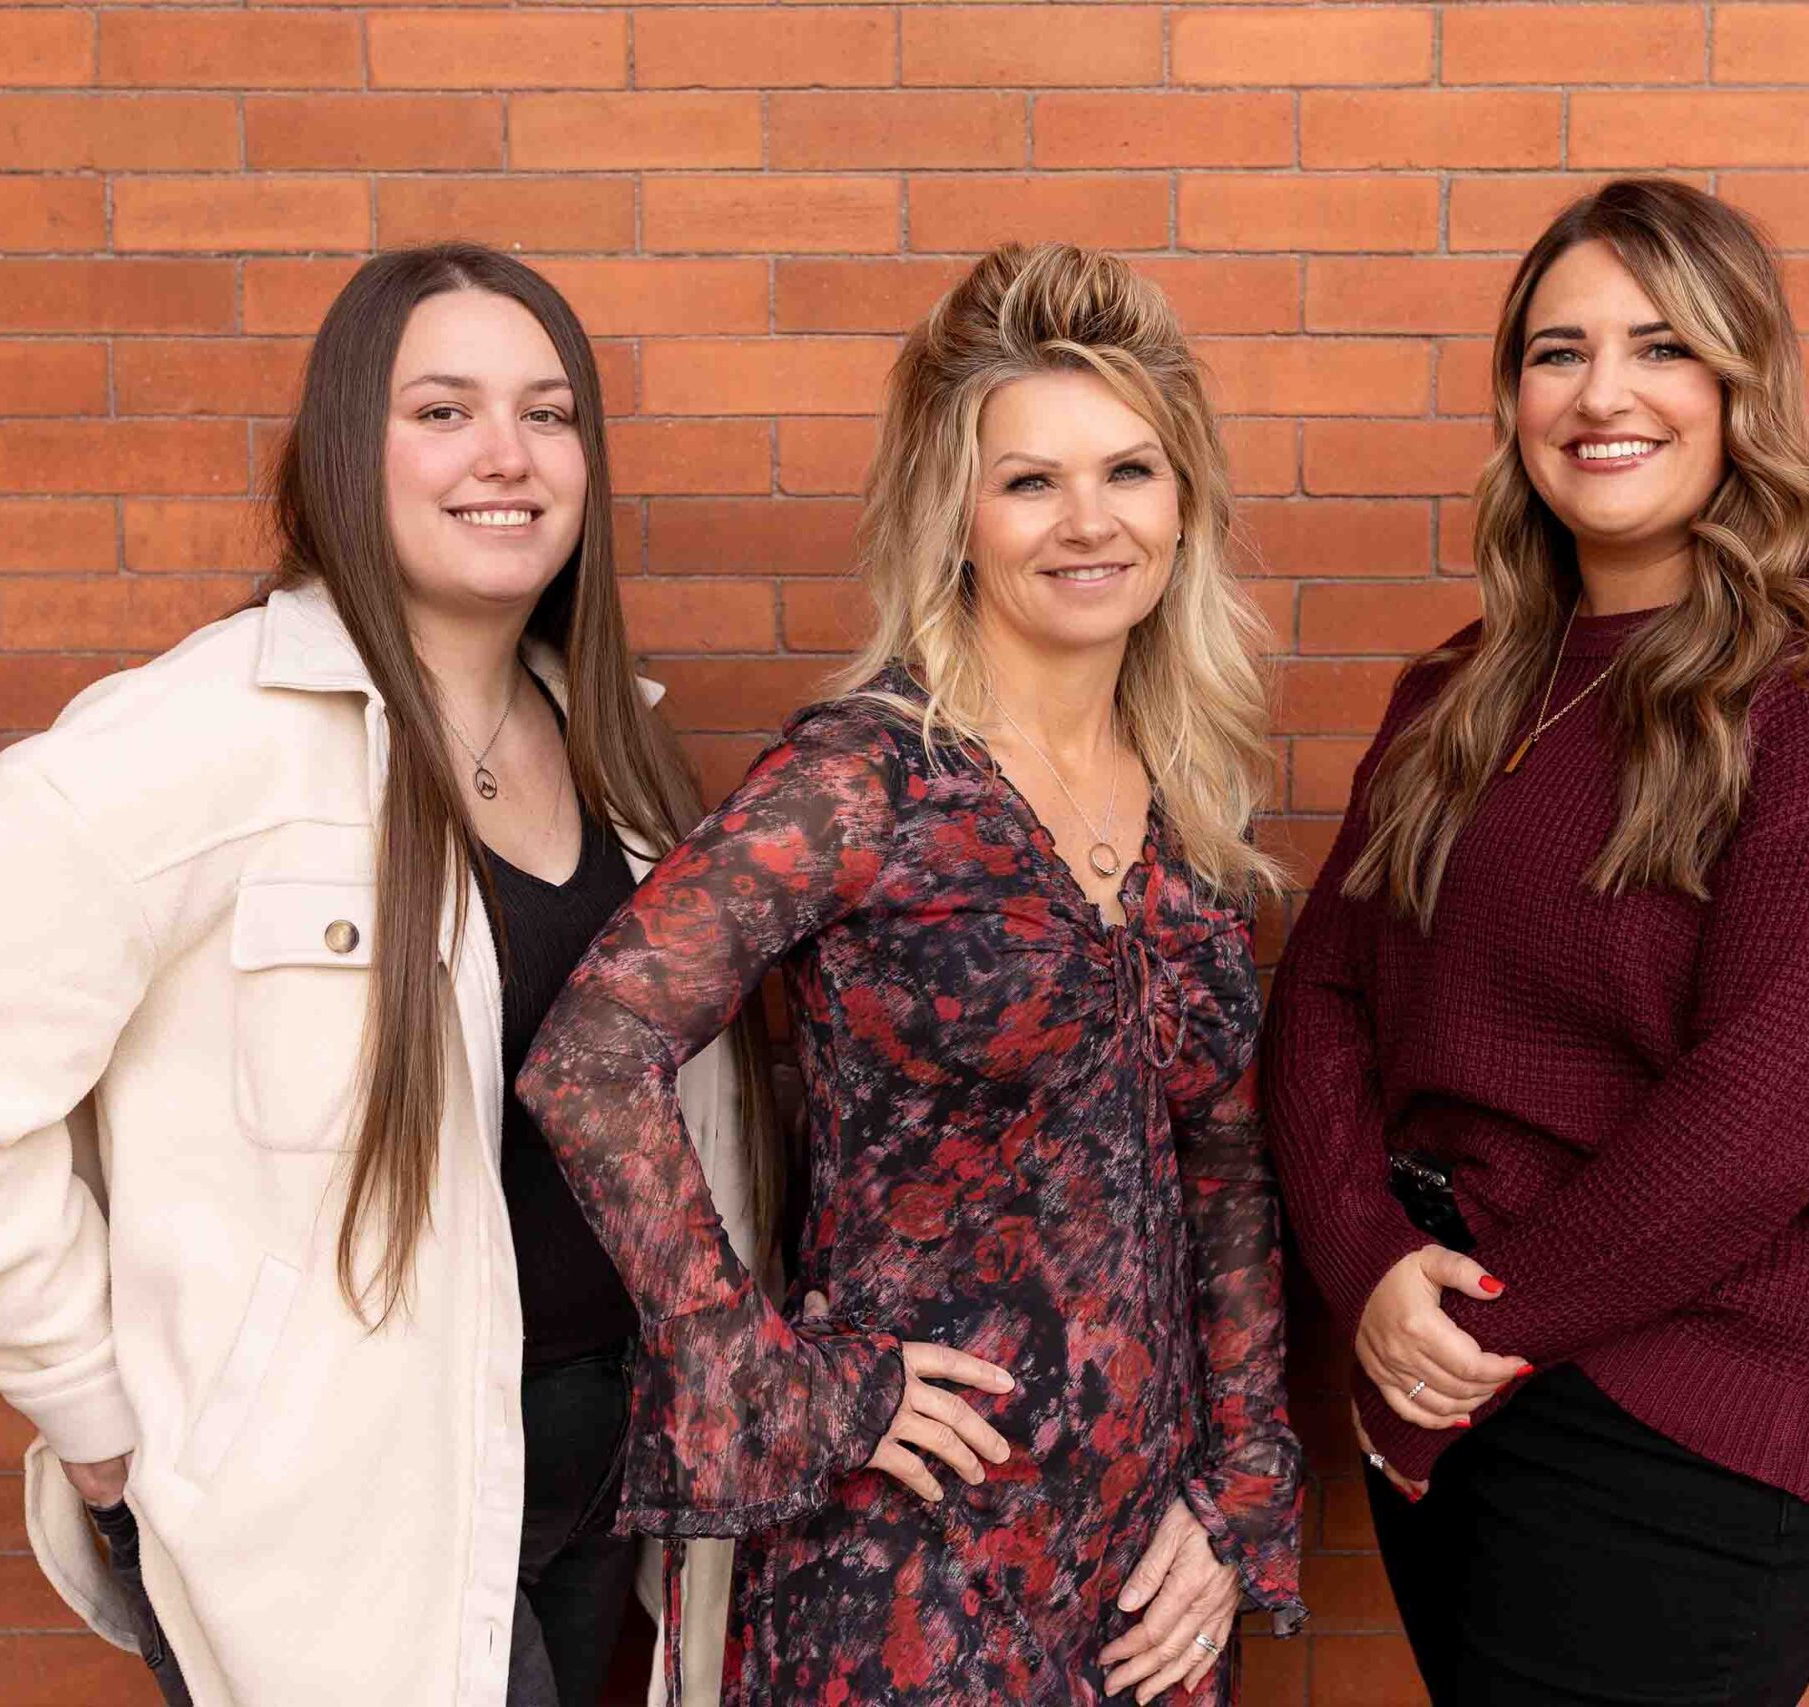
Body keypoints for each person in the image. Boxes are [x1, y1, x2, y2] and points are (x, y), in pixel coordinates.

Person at [0, 243, 759, 1707]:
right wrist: (84, 1399)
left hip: (591, 1467)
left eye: (548, 414)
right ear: (347, 449)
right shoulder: (209, 736)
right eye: (443, 411)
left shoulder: (613, 745)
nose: (505, 454)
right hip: (335, 1520)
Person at [516, 242, 1305, 1707]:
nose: (1089, 521)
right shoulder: (864, 781)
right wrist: (770, 1375)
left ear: (1183, 503)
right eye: (1030, 481)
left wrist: (1237, 1488)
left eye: (1130, 472)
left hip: (1142, 1562)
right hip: (906, 1549)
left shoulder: (1194, 804)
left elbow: (1226, 1168)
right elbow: (592, 1053)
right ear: (957, 518)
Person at [1262, 178, 1809, 1706]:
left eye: (1662, 348)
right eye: (1557, 353)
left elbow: (1763, 1112)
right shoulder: (1465, 689)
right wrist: (1372, 1265)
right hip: (1459, 1382)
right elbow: (1323, 993)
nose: (1602, 396)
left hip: (1685, 1427)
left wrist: (1475, 1330)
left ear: (1741, 385)